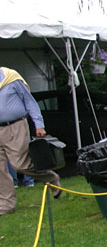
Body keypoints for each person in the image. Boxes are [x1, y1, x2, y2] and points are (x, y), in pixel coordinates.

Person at [0, 66, 61, 216]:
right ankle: (6, 205)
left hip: (15, 126)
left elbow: (30, 102)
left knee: (19, 164)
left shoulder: (11, 78)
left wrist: (39, 124)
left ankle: (51, 178)